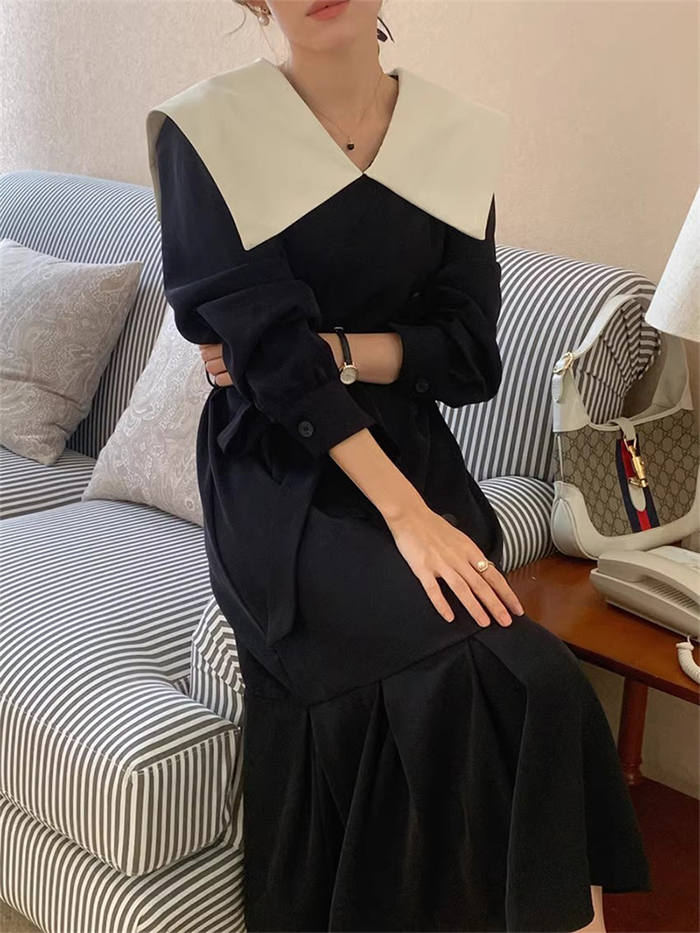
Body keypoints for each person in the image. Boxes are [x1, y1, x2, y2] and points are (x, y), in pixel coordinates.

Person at [145, 2, 652, 930]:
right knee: (481, 674)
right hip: (278, 477)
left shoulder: (449, 136)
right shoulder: (206, 131)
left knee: (539, 680)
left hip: (414, 453)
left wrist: (337, 349)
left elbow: (469, 354)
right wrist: (405, 515)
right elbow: (273, 366)